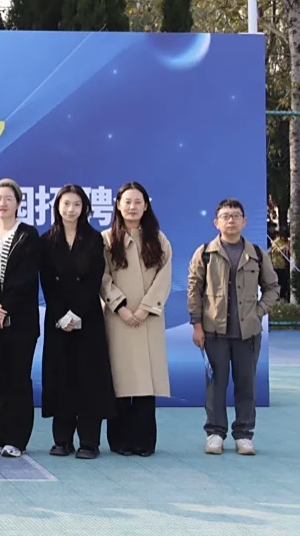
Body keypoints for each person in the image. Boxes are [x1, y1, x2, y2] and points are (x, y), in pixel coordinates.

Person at [187, 198, 279, 456]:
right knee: (215, 386)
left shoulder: (257, 254)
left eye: (236, 216)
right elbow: (194, 291)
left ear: (244, 221)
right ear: (216, 222)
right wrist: (197, 325)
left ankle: (244, 435)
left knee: (246, 386)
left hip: (248, 334)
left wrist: (258, 312)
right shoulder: (205, 253)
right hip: (213, 332)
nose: (231, 220)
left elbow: (273, 288)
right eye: (225, 216)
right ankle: (215, 433)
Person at [39, 185, 115, 459]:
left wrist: (77, 313)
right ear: (57, 206)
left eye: (76, 205)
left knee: (89, 380)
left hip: (88, 319)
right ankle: (62, 440)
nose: (70, 209)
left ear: (84, 209)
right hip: (58, 320)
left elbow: (95, 279)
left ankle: (89, 442)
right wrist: (62, 314)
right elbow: (47, 281)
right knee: (61, 378)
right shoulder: (46, 240)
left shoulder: (94, 239)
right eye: (66, 204)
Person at [100, 181, 172, 457]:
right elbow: (103, 278)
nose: (132, 207)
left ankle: (144, 441)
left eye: (137, 202)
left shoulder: (158, 239)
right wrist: (120, 307)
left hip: (148, 320)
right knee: (120, 381)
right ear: (118, 205)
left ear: (146, 206)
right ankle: (119, 441)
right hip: (117, 319)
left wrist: (145, 309)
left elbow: (164, 278)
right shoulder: (107, 239)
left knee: (144, 382)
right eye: (127, 201)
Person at [0, 178, 41, 458]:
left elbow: (27, 277)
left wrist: (4, 307)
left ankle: (18, 439)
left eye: (8, 199)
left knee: (19, 379)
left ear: (18, 203)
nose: (2, 203)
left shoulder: (28, 235)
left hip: (21, 321)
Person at [270, 229, 291, 302]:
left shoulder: (287, 241)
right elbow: (275, 250)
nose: (285, 238)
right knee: (277, 282)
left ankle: (283, 295)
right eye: (284, 236)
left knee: (284, 281)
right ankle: (277, 296)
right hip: (277, 265)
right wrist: (284, 247)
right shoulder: (276, 242)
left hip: (285, 265)